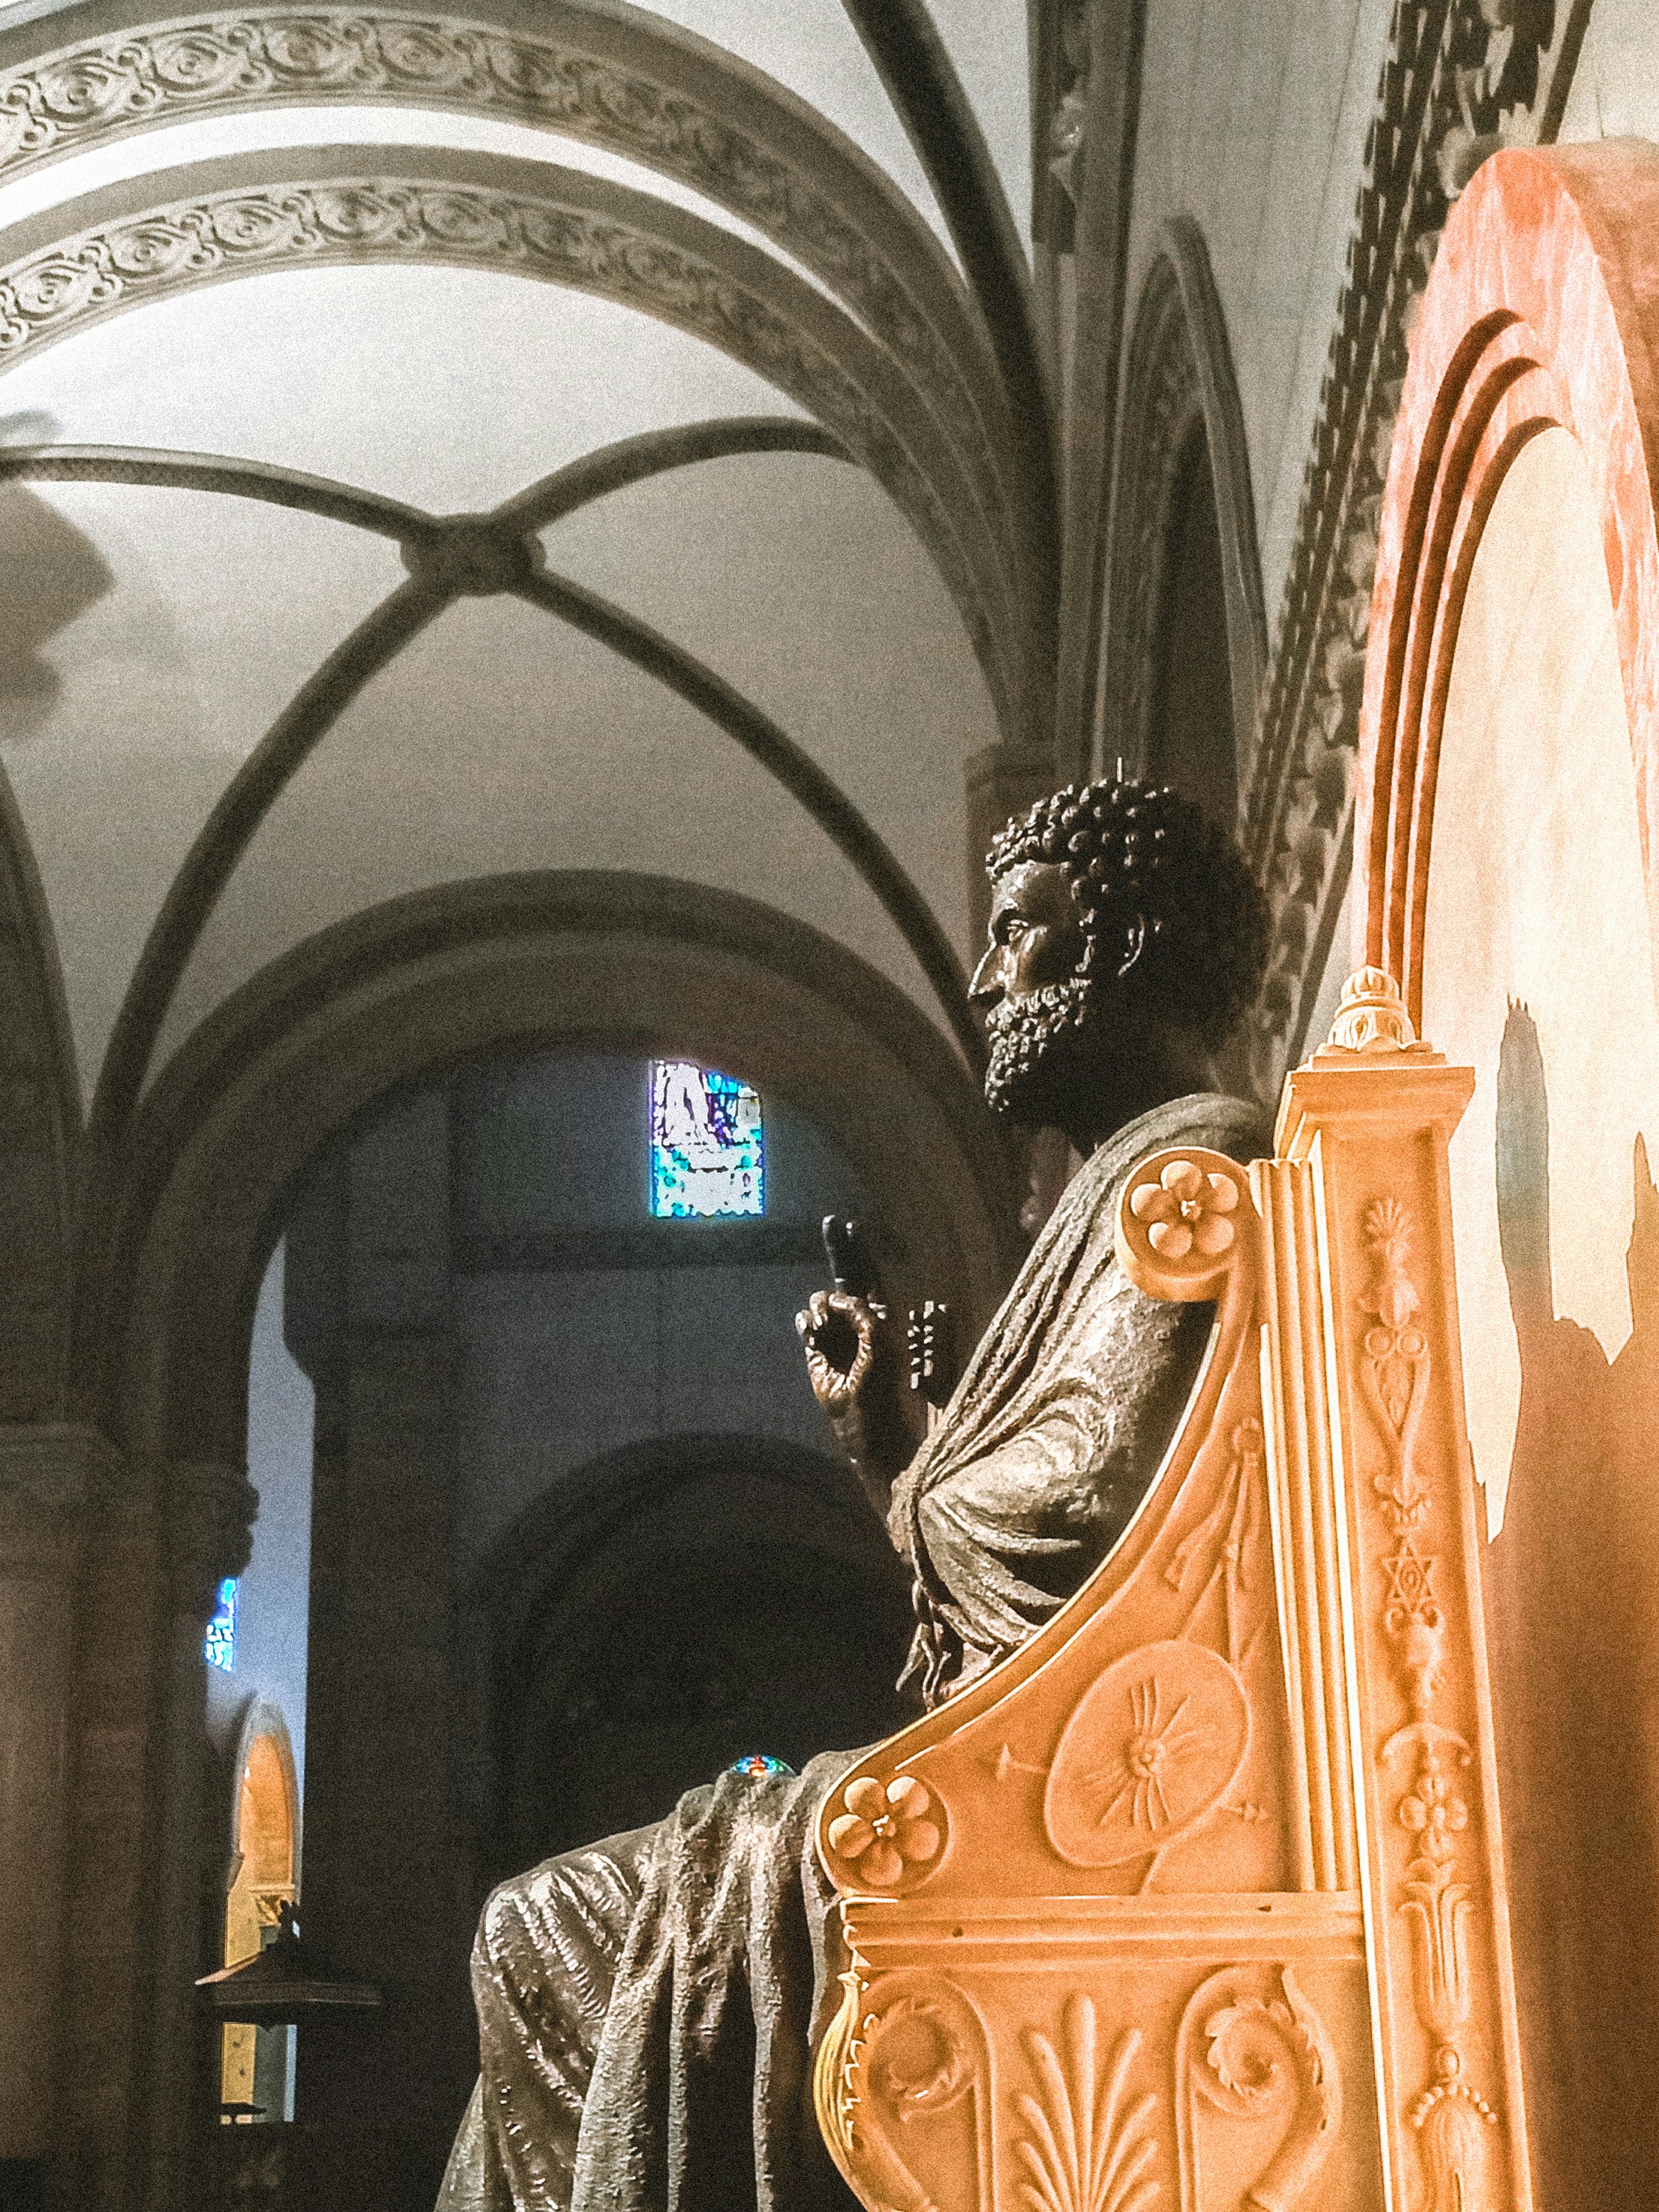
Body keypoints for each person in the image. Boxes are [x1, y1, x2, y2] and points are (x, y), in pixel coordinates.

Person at [436, 778, 1271, 2212]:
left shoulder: (1193, 1168)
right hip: (1047, 1760)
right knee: (555, 1926)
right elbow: (1062, 1509)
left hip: (1094, 1792)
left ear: (1122, 945)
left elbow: (1087, 1512)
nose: (984, 976)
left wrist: (924, 1460)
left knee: (544, 1928)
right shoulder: (1116, 1189)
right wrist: (891, 1440)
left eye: (1022, 934)